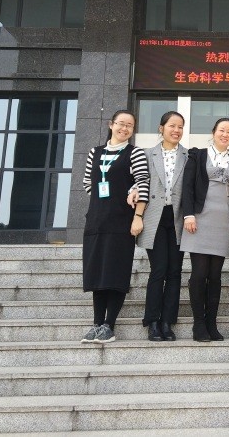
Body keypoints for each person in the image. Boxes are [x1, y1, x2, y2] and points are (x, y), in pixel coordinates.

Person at [81, 110, 149, 344]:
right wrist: (103, 201)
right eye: (121, 123)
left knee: (116, 273)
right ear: (111, 125)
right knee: (97, 273)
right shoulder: (95, 152)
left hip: (121, 221)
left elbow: (143, 181)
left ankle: (109, 325)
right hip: (96, 221)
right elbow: (88, 182)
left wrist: (137, 214)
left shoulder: (134, 153)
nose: (124, 128)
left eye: (129, 125)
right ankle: (96, 324)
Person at [180, 117, 229, 342]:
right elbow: (187, 185)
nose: (225, 134)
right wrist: (188, 214)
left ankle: (211, 324)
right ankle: (198, 324)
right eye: (222, 130)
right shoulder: (198, 155)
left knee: (215, 276)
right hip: (199, 218)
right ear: (213, 132)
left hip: (223, 220)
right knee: (199, 274)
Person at [138, 111, 189, 342]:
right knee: (158, 269)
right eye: (172, 126)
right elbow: (139, 181)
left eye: (180, 127)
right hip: (154, 217)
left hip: (178, 217)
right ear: (161, 128)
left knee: (175, 271)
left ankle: (168, 321)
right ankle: (152, 321)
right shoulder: (147, 154)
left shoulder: (189, 156)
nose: (176, 130)